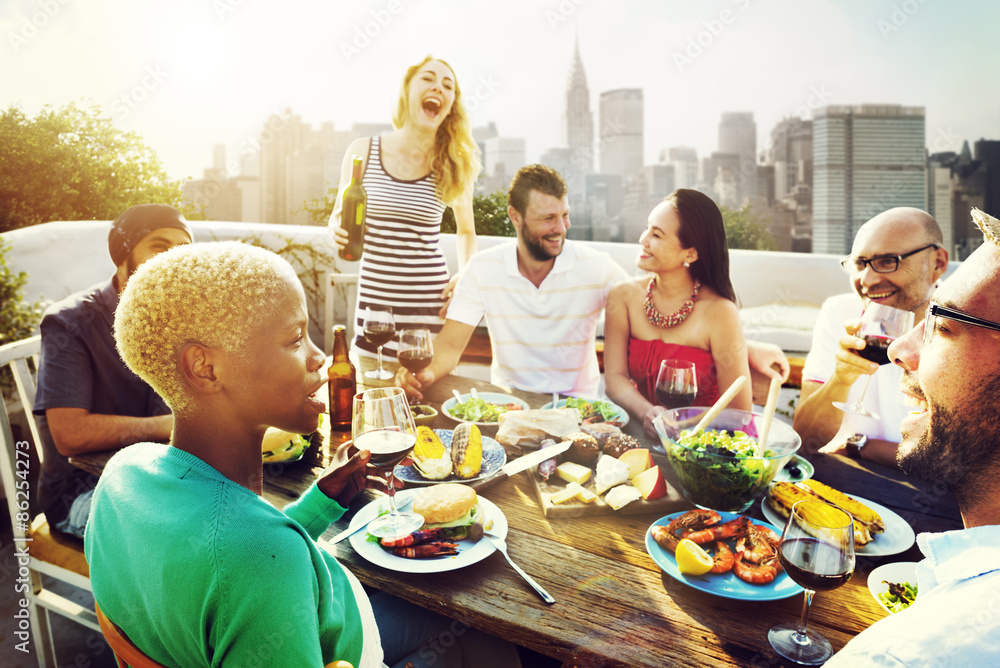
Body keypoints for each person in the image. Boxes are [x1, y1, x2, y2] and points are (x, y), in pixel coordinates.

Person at [84, 241, 522, 668]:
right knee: (482, 630)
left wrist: (318, 503)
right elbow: (249, 557)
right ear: (205, 367)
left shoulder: (123, 472)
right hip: (341, 646)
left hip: (303, 621)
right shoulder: (259, 562)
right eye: (296, 339)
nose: (320, 359)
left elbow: (221, 554)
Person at [397, 165, 788, 405]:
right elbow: (448, 350)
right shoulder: (482, 269)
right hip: (510, 406)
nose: (561, 228)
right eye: (548, 218)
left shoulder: (596, 269)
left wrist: (742, 344)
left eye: (565, 215)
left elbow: (661, 308)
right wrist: (424, 376)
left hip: (580, 410)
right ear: (515, 218)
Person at [823, 208, 1000, 665]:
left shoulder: (893, 656)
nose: (900, 349)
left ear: (938, 261)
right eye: (857, 262)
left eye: (942, 324)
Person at [33, 203, 192, 538]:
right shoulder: (70, 323)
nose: (171, 261)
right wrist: (169, 426)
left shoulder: (178, 319)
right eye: (159, 247)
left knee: (247, 514)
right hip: (84, 490)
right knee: (188, 537)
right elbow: (70, 434)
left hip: (162, 478)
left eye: (182, 251)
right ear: (124, 253)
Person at [330, 55, 481, 361]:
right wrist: (335, 228)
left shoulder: (455, 163)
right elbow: (338, 212)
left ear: (451, 105)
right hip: (375, 310)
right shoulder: (362, 151)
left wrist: (465, 274)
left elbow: (466, 231)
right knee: (372, 397)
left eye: (447, 85)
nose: (438, 87)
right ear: (408, 91)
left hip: (431, 310)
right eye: (428, 79)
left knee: (424, 403)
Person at [793, 207, 949, 467]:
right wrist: (840, 380)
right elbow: (806, 439)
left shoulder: (967, 327)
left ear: (938, 263)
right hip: (853, 481)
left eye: (888, 261)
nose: (866, 280)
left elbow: (956, 463)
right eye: (859, 263)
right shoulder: (842, 313)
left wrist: (864, 446)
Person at [603, 189, 752, 439]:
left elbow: (738, 410)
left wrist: (682, 427)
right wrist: (648, 413)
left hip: (710, 444)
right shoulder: (623, 297)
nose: (643, 239)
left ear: (690, 254)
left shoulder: (720, 311)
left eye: (657, 235)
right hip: (645, 435)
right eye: (647, 228)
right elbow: (614, 378)